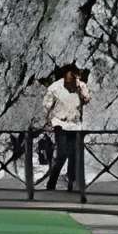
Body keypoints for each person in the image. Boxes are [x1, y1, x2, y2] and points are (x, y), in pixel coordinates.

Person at [36, 62, 90, 192]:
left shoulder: (81, 86)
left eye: (77, 77)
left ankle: (72, 182)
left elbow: (87, 99)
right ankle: (51, 182)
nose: (75, 79)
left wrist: (81, 90)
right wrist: (49, 121)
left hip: (76, 125)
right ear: (66, 75)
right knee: (62, 154)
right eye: (72, 76)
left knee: (75, 155)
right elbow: (46, 105)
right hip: (60, 123)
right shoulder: (55, 88)